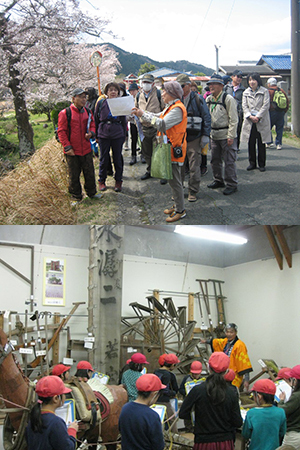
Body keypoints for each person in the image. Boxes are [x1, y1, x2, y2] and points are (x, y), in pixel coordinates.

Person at [133, 81, 187, 223]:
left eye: (164, 92)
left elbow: (161, 124)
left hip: (174, 148)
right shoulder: (171, 107)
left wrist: (142, 114)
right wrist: (142, 113)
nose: (162, 94)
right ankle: (177, 205)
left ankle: (180, 210)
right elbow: (157, 115)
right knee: (172, 179)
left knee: (175, 181)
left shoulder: (177, 109)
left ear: (172, 94)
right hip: (169, 148)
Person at [179, 352, 243, 450]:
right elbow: (238, 422)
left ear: (208, 368)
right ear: (226, 371)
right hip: (225, 442)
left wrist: (198, 421)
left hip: (203, 442)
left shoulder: (197, 390)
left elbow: (183, 413)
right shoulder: (231, 393)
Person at [57, 88, 101, 203]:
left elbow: (92, 124)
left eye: (85, 97)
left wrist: (91, 133)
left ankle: (92, 192)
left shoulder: (87, 111)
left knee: (89, 172)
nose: (83, 99)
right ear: (73, 98)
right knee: (73, 175)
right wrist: (67, 147)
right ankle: (76, 196)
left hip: (86, 148)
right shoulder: (65, 113)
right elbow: (61, 132)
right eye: (80, 97)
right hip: (72, 150)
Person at [176, 74, 211, 202]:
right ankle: (178, 191)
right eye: (177, 86)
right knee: (178, 166)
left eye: (182, 86)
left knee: (194, 166)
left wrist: (205, 135)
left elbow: (206, 117)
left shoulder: (198, 98)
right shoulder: (175, 99)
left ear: (189, 86)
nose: (179, 88)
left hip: (194, 137)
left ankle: (193, 191)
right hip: (178, 138)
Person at [205, 74, 239, 195]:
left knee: (229, 161)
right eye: (210, 84)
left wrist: (231, 135)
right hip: (214, 135)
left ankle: (231, 184)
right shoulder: (209, 99)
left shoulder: (228, 99)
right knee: (215, 160)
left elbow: (234, 119)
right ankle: (218, 180)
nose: (211, 86)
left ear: (221, 85)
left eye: (214, 84)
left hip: (226, 135)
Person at [25, 375, 78, 450]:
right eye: (64, 394)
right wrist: (72, 430)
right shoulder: (56, 423)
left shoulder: (32, 421)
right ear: (56, 398)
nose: (65, 397)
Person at [118, 373, 165, 450]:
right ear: (154, 394)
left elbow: (121, 430)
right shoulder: (152, 415)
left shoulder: (125, 408)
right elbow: (158, 445)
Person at [94, 82, 127, 193]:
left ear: (118, 92)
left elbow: (123, 120)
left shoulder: (120, 103)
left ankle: (118, 180)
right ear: (106, 92)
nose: (113, 92)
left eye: (115, 90)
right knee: (103, 158)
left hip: (117, 133)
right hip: (103, 133)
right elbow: (96, 119)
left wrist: (124, 135)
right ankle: (101, 180)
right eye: (110, 90)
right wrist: (96, 134)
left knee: (117, 158)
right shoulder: (101, 103)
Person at [201, 323, 252, 390]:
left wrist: (246, 379)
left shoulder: (240, 345)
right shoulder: (225, 342)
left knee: (231, 391)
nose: (229, 334)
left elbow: (244, 363)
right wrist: (205, 341)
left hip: (234, 375)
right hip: (224, 373)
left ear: (236, 332)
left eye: (231, 332)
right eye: (227, 332)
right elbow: (217, 342)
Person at [135, 73, 165, 181]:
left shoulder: (159, 94)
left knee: (159, 151)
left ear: (153, 84)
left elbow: (164, 109)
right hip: (144, 128)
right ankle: (150, 170)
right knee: (146, 152)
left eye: (148, 82)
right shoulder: (138, 95)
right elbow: (135, 109)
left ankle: (162, 173)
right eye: (144, 82)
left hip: (156, 127)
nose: (146, 84)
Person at [242, 379, 286, 450]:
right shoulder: (280, 412)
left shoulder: (252, 413)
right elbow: (282, 432)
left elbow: (246, 434)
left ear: (259, 396)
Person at [241, 72, 271, 172]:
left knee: (261, 143)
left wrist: (257, 116)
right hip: (250, 121)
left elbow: (266, 105)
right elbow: (244, 106)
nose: (251, 82)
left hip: (261, 120)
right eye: (250, 80)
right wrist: (250, 116)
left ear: (258, 81)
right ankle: (252, 163)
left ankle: (262, 164)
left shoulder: (264, 91)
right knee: (251, 142)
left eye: (253, 80)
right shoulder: (246, 92)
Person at [154, 353, 179, 432]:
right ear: (172, 365)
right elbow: (164, 390)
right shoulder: (168, 375)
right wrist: (173, 393)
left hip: (154, 399)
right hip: (163, 400)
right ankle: (175, 439)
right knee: (172, 419)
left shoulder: (156, 371)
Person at [179, 360, 205, 432]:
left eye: (197, 374)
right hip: (188, 403)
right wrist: (186, 393)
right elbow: (180, 389)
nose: (195, 376)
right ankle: (189, 429)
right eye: (193, 374)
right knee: (188, 418)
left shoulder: (203, 380)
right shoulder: (186, 379)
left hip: (199, 405)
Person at [278, 365, 300, 449]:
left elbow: (282, 411)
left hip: (294, 434)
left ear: (295, 380)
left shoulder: (297, 396)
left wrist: (281, 401)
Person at [224, 70, 245, 152]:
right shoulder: (226, 88)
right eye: (237, 76)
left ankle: (236, 148)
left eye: (241, 77)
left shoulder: (243, 89)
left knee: (238, 131)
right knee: (227, 130)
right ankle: (226, 147)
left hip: (238, 113)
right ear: (232, 77)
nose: (239, 78)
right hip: (227, 112)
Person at [266, 77, 289, 150]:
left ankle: (269, 142)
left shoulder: (268, 91)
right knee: (279, 128)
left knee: (268, 127)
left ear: (269, 84)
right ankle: (278, 144)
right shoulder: (281, 90)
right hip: (280, 112)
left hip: (271, 112)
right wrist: (284, 111)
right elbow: (287, 101)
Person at [128, 82, 140, 165]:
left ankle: (143, 155)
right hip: (133, 122)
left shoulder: (141, 98)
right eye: (131, 91)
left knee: (143, 139)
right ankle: (133, 156)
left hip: (142, 122)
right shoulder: (129, 100)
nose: (132, 92)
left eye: (134, 90)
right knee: (133, 138)